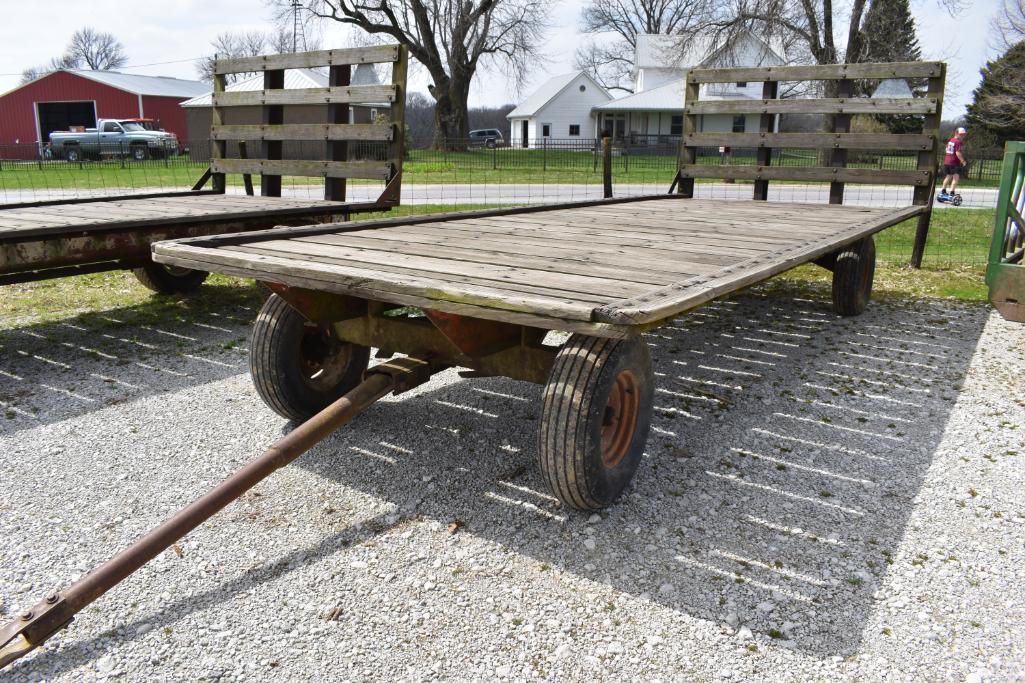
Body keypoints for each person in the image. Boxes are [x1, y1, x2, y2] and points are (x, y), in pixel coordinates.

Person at [939, 127, 967, 199]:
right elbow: (958, 153)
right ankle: (952, 193)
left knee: (948, 176)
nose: (962, 136)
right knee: (956, 178)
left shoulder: (951, 140)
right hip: (954, 162)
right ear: (956, 133)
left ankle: (943, 191)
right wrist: (963, 161)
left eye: (964, 134)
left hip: (947, 161)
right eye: (961, 134)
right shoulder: (958, 142)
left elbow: (946, 149)